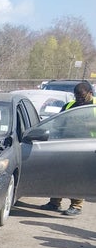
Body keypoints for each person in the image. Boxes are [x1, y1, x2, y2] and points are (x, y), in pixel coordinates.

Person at [42, 81, 94, 216]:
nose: (79, 99)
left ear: (90, 93)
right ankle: (54, 202)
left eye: (82, 96)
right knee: (58, 174)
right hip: (65, 145)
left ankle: (76, 205)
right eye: (77, 96)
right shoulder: (70, 106)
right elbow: (58, 123)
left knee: (77, 177)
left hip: (85, 148)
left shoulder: (94, 107)